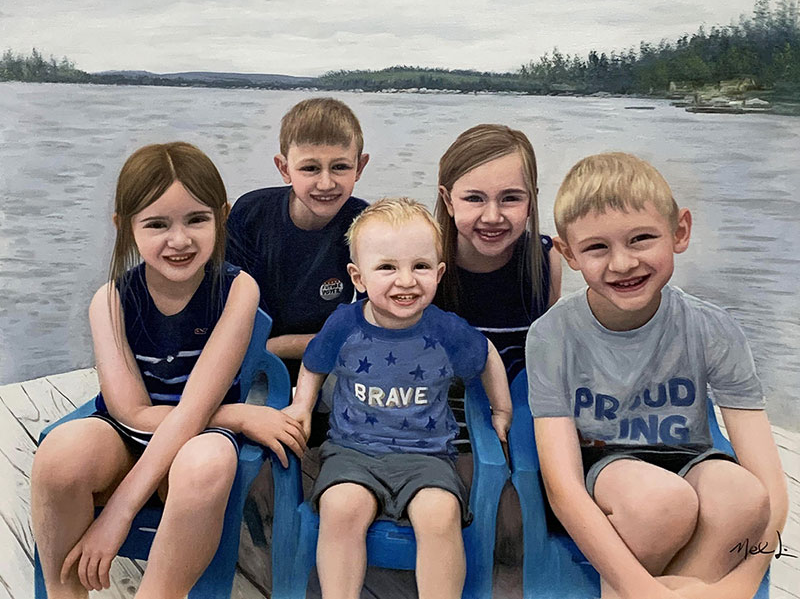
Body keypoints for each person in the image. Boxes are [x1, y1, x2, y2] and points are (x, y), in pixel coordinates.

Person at [31, 142, 306, 599]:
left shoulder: (237, 290)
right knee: (59, 455)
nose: (179, 240)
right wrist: (237, 415)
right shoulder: (111, 301)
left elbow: (195, 409)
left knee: (208, 463)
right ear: (126, 227)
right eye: (157, 224)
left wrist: (118, 514)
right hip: (126, 439)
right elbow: (132, 413)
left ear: (222, 217)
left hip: (198, 440)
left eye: (196, 219)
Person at [527, 152, 787, 599]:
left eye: (642, 238)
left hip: (689, 459)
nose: (623, 263)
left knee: (744, 495)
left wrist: (741, 584)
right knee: (663, 502)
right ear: (569, 253)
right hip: (606, 475)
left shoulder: (712, 328)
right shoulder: (553, 335)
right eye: (597, 247)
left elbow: (772, 487)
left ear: (679, 231)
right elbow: (563, 488)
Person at [284, 198, 513, 599]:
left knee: (440, 513)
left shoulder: (445, 331)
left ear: (438, 273)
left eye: (420, 266)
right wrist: (302, 405)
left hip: (427, 457)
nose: (406, 280)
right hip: (353, 452)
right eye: (387, 267)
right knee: (341, 507)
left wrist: (502, 408)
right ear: (358, 277)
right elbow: (314, 364)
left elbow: (487, 353)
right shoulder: (344, 324)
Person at [433, 123, 562, 564]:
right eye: (474, 198)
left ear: (532, 201)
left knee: (519, 532)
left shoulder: (545, 261)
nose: (492, 216)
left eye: (510, 198)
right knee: (486, 525)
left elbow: (543, 358)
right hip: (446, 415)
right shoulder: (425, 264)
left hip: (519, 414)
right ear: (448, 199)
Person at [226, 97, 369, 387]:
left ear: (360, 166)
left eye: (340, 167)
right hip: (246, 359)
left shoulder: (365, 225)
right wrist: (261, 351)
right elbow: (226, 308)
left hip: (329, 362)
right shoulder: (251, 214)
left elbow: (373, 325)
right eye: (310, 168)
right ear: (284, 168)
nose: (326, 183)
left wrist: (279, 346)